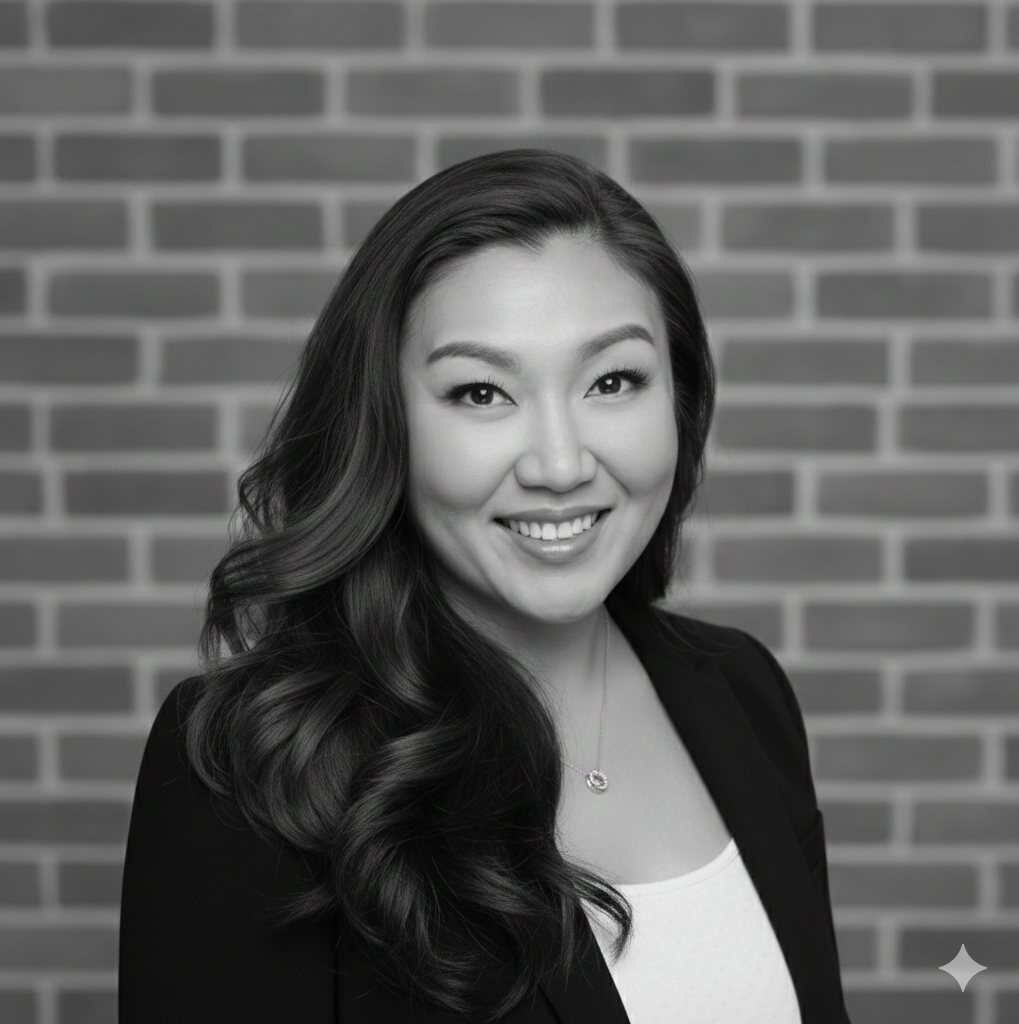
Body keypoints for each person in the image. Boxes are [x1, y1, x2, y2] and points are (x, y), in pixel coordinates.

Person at [119, 149, 850, 1023]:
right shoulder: (256, 765)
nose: (560, 463)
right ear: (384, 426)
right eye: (481, 393)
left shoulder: (744, 692)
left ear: (680, 401)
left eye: (612, 381)